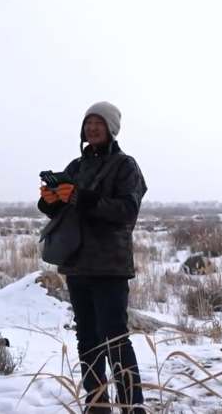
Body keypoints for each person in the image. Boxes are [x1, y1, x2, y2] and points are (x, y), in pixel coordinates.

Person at [38, 101, 148, 414]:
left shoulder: (125, 166)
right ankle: (97, 403)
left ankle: (132, 405)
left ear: (111, 128)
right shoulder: (76, 166)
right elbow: (64, 209)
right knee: (87, 337)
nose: (92, 128)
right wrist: (50, 201)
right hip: (77, 264)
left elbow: (127, 211)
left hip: (110, 266)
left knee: (115, 338)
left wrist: (81, 198)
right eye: (88, 123)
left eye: (99, 123)